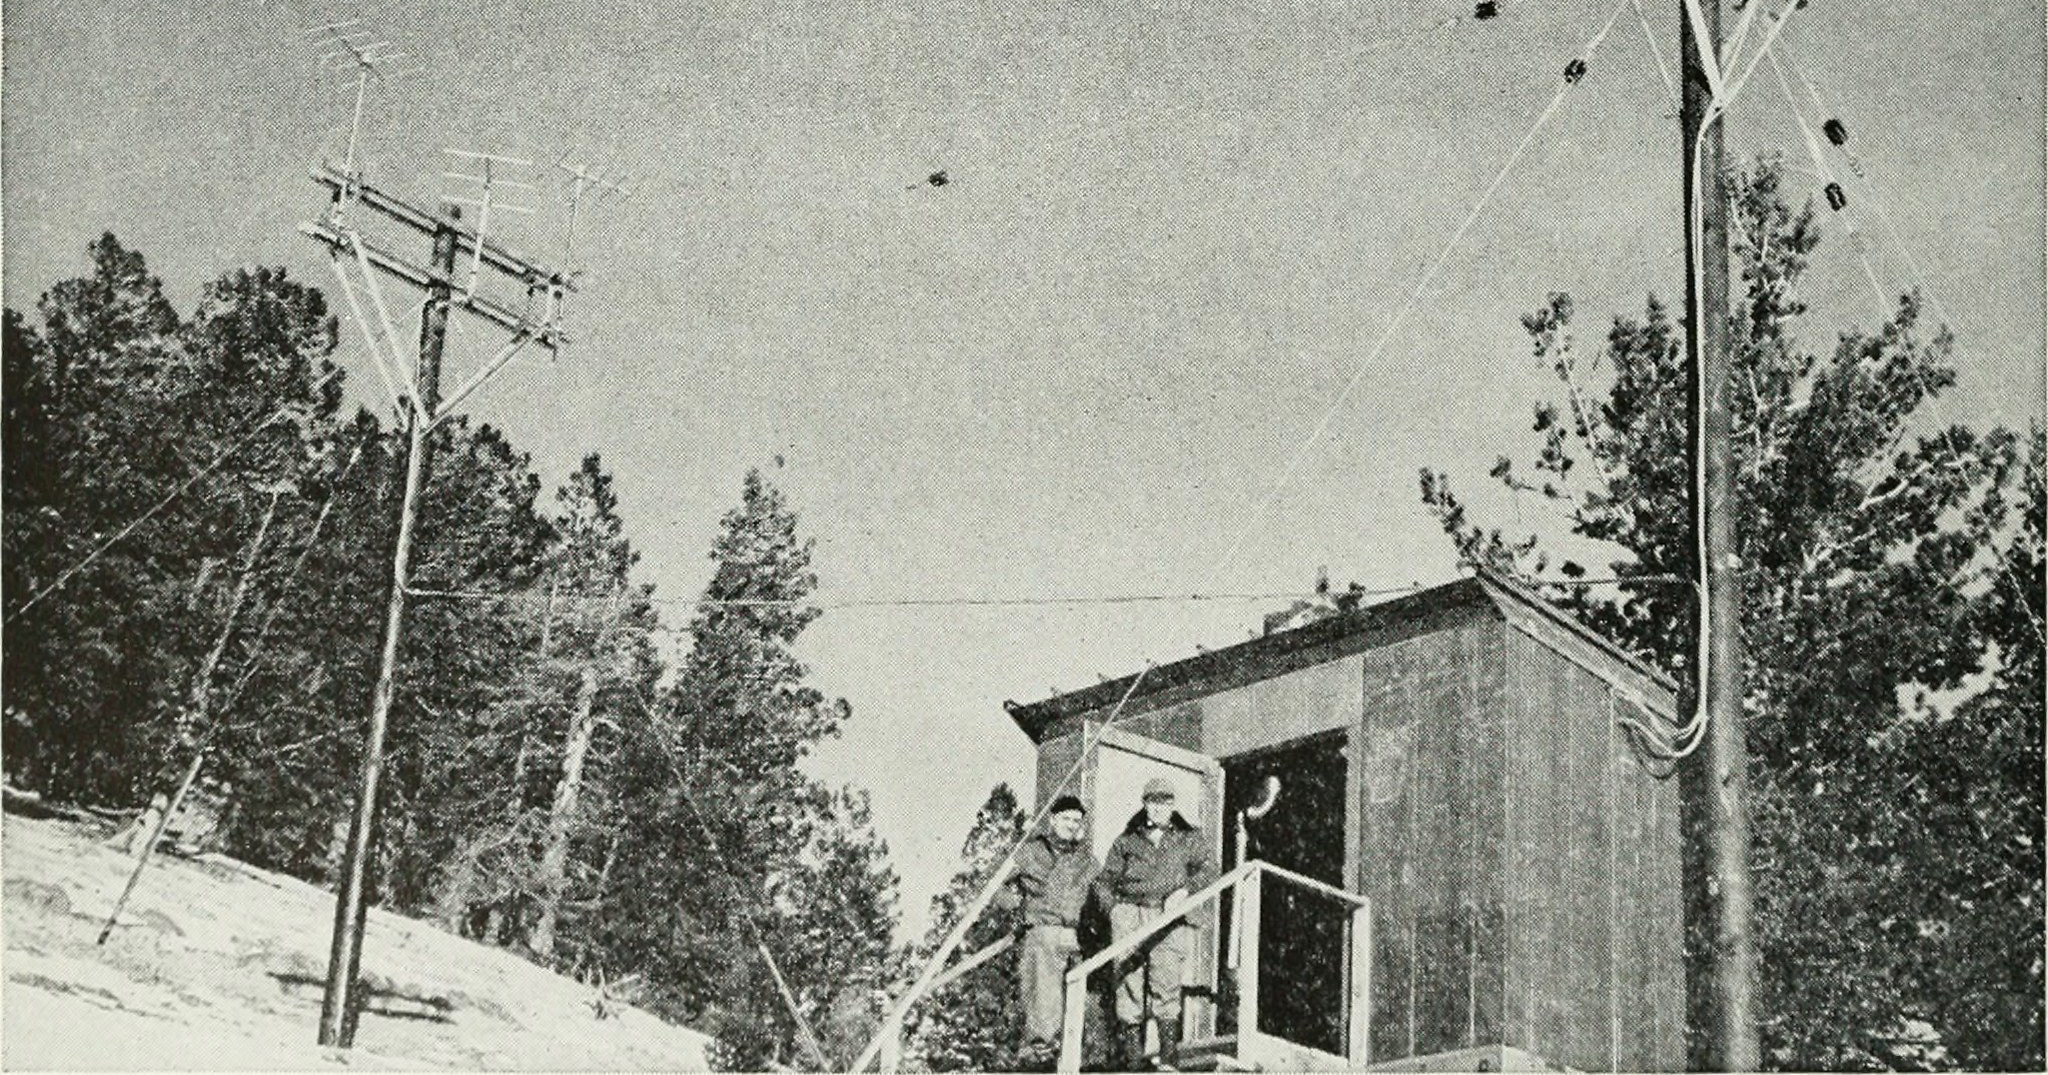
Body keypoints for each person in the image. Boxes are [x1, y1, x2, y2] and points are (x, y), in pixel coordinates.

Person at [1094, 777, 1215, 1070]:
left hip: (1169, 918)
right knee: (1129, 986)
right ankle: (1133, 1066)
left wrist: (1186, 891)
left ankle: (1168, 1062)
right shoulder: (1127, 840)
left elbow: (1210, 867)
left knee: (1167, 983)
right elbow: (1103, 882)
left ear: (1173, 805)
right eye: (1152, 801)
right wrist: (1115, 911)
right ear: (1144, 803)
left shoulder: (1189, 837)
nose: (1158, 808)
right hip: (1132, 914)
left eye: (1164, 802)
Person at [999, 794, 1099, 1070]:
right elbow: (1001, 884)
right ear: (1053, 820)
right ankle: (1040, 1054)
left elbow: (1101, 893)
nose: (1071, 825)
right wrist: (1016, 907)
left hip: (1076, 934)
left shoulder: (1087, 861)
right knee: (1043, 996)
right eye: (1066, 819)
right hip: (1044, 931)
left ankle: (1074, 1055)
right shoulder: (1031, 851)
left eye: (1077, 821)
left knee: (1080, 1001)